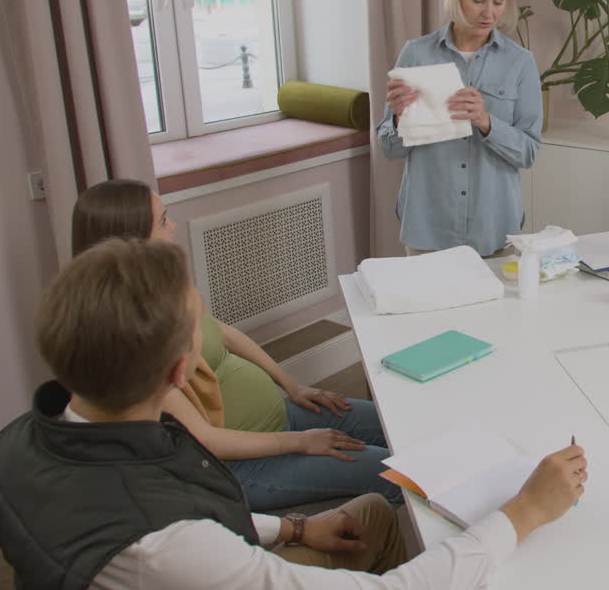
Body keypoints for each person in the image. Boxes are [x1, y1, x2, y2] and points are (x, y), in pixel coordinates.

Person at [0, 238, 587, 589]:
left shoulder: (10, 447)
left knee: (374, 514)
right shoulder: (164, 544)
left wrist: (295, 528)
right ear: (179, 373)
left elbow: (187, 516)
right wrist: (525, 512)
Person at [71, 179, 400, 511]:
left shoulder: (168, 290)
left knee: (401, 426)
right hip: (244, 465)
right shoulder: (134, 345)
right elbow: (206, 440)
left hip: (281, 418)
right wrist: (301, 442)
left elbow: (222, 332)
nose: (173, 225)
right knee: (399, 476)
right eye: (163, 220)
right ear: (131, 238)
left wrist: (292, 386)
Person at [377, 0, 542, 257]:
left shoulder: (520, 62)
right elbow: (389, 149)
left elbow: (529, 152)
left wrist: (486, 122)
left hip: (494, 227)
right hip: (428, 225)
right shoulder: (416, 53)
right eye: (478, 0)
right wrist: (398, 119)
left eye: (498, 1)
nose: (489, 13)